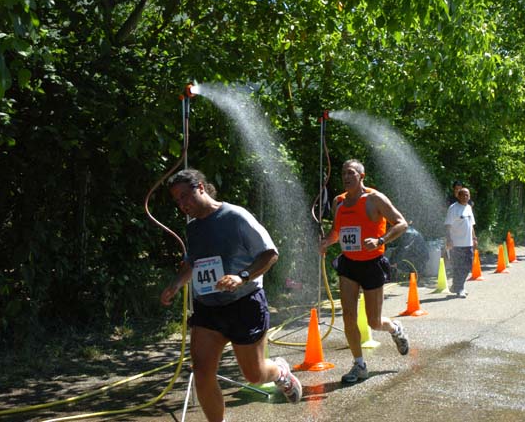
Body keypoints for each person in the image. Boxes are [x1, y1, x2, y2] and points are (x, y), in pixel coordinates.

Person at [160, 169, 302, 422]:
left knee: (254, 375)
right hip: (208, 309)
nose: (182, 204)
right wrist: (176, 284)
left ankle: (280, 373)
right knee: (202, 371)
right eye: (177, 201)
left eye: (185, 196)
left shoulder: (235, 216)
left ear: (201, 188)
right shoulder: (193, 228)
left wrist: (242, 276)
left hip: (244, 305)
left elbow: (270, 254)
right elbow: (192, 262)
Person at [319, 159, 410, 384]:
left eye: (351, 173)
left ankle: (395, 329)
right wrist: (324, 243)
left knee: (374, 321)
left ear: (361, 176)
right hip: (349, 263)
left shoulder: (374, 199)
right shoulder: (338, 202)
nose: (346, 177)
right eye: (343, 173)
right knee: (348, 316)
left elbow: (401, 224)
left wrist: (380, 240)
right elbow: (337, 232)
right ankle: (359, 365)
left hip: (372, 264)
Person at [444, 187, 477, 298]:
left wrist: (474, 238)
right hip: (456, 244)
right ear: (458, 196)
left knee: (468, 266)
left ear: (469, 196)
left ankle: (456, 286)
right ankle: (460, 288)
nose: (465, 197)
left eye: (467, 195)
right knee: (458, 267)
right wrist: (449, 240)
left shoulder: (468, 208)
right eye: (463, 195)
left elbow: (471, 225)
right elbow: (448, 225)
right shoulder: (453, 208)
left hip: (468, 243)